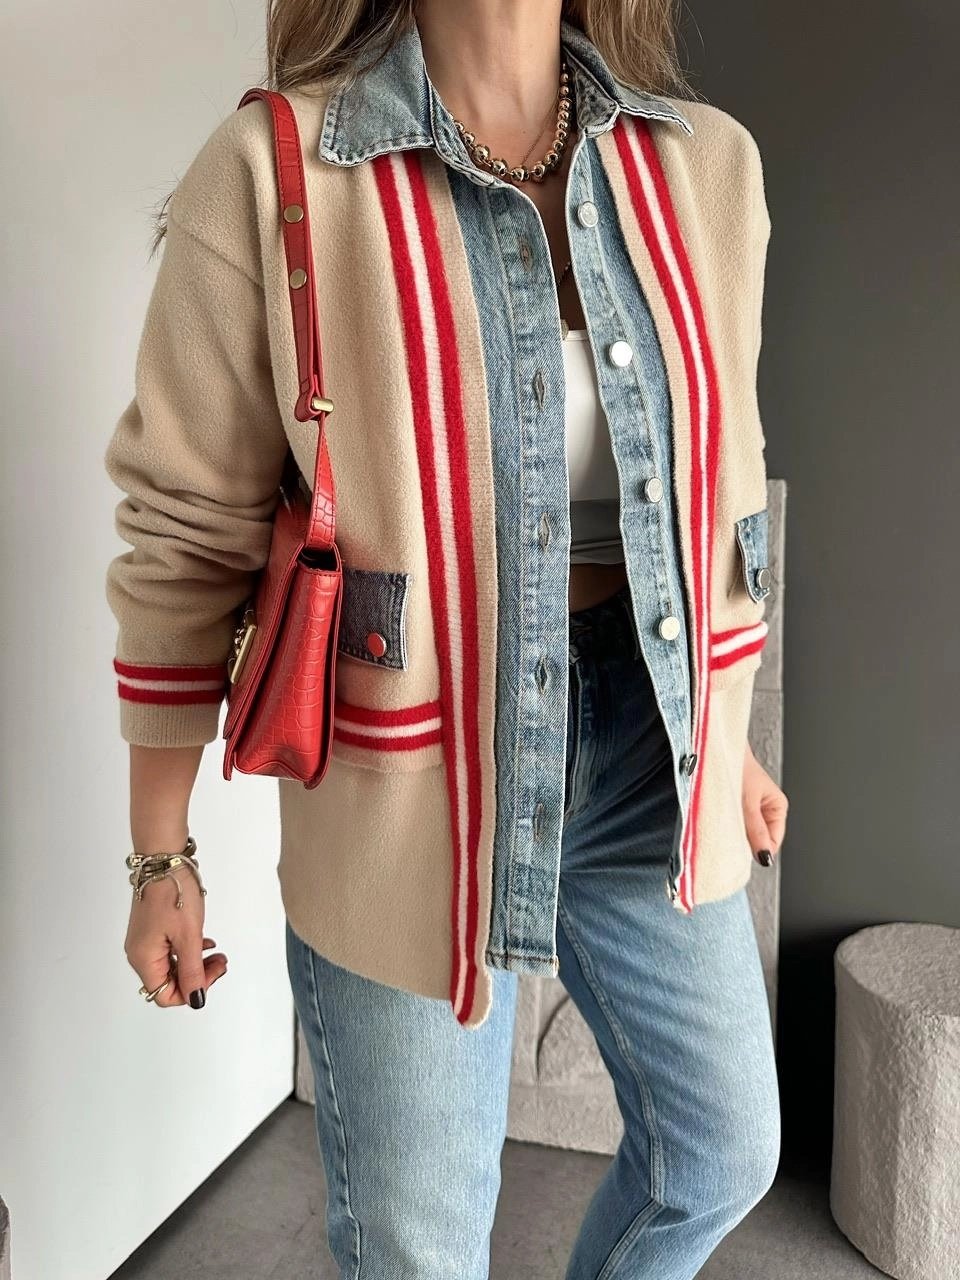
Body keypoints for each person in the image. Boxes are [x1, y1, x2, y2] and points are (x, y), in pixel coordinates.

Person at [103, 0, 789, 1275]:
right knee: (420, 1248)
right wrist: (160, 849)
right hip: (414, 780)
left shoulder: (707, 167)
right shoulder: (275, 172)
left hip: (651, 753)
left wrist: (728, 733)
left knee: (723, 1148)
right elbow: (185, 531)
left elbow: (717, 489)